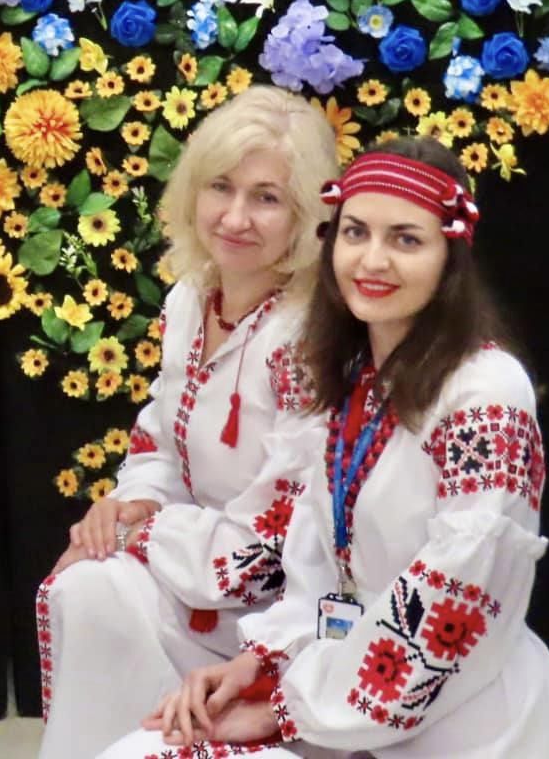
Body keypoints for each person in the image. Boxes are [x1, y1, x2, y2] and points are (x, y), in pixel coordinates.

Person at [103, 139, 549, 758]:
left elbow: (452, 607)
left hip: (460, 727)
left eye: (406, 239)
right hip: (345, 709)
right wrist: (261, 662)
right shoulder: (354, 378)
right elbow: (322, 571)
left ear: (450, 258)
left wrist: (287, 709)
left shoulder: (484, 393)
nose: (372, 260)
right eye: (356, 232)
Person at [37, 87, 342, 759]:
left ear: (307, 216)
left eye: (267, 198)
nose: (235, 217)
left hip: (269, 620)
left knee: (103, 574)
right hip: (190, 569)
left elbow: (268, 551)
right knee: (84, 584)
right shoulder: (189, 296)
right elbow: (159, 438)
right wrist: (132, 501)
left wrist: (142, 534)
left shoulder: (308, 339)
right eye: (221, 187)